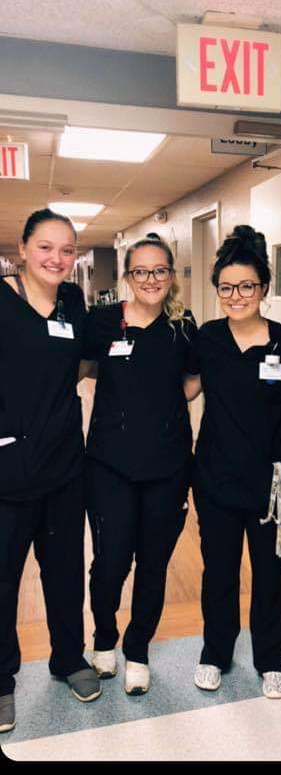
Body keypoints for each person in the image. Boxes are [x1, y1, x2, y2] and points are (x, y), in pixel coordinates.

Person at [184, 225, 281, 699]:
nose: (236, 296)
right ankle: (216, 652)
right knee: (219, 570)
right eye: (226, 287)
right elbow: (185, 390)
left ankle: (271, 657)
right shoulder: (208, 338)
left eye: (246, 286)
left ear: (264, 287)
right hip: (216, 476)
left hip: (273, 482)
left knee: (271, 572)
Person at [83, 233, 198, 695]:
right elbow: (79, 370)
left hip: (168, 467)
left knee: (153, 563)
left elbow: (193, 381)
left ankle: (138, 651)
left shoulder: (182, 326)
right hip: (109, 464)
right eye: (141, 271)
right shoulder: (102, 321)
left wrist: (161, 407)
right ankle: (104, 639)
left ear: (171, 275)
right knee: (110, 562)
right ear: (128, 276)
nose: (151, 279)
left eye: (160, 270)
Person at [0, 209, 101, 735]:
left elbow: (79, 364)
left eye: (66, 249)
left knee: (64, 570)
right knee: (3, 578)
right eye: (45, 247)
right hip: (7, 468)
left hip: (64, 463)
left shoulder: (73, 301)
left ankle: (68, 657)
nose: (56, 258)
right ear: (22, 248)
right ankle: (1, 679)